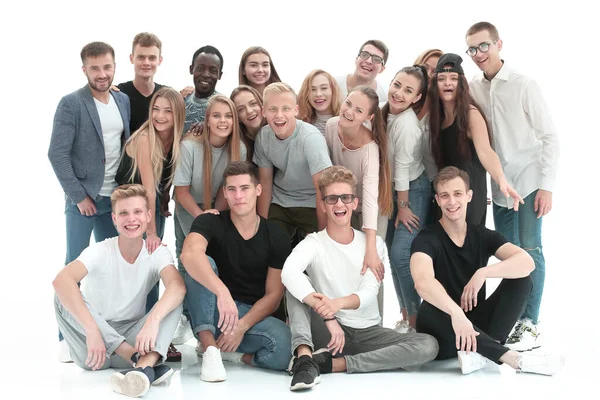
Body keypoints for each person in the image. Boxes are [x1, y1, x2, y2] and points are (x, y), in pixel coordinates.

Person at [282, 166, 438, 391]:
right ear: (324, 205)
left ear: (355, 203)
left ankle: (334, 364)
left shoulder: (373, 246)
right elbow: (288, 272)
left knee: (427, 345)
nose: (339, 205)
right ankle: (305, 359)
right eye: (332, 199)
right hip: (328, 332)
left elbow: (368, 292)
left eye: (345, 198)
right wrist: (329, 316)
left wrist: (337, 304)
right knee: (294, 288)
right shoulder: (313, 243)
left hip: (368, 332)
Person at [410, 166, 563, 376]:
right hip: (444, 332)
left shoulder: (481, 235)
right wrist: (456, 313)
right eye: (445, 196)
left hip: (476, 326)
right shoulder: (426, 239)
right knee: (429, 308)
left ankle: (481, 353)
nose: (452, 202)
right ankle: (512, 359)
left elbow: (526, 262)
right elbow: (422, 282)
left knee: (522, 280)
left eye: (457, 194)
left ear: (469, 196)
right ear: (437, 199)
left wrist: (483, 272)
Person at [466, 21, 560, 351]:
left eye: (484, 46)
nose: (478, 54)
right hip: (500, 186)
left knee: (531, 248)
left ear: (498, 44)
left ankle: (530, 323)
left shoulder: (523, 85)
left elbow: (549, 136)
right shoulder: (474, 87)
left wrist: (546, 186)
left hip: (530, 180)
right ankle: (511, 319)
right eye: (472, 49)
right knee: (508, 253)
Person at [53, 184, 186, 398]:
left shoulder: (158, 253)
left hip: (135, 338)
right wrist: (92, 330)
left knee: (175, 298)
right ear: (114, 219)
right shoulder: (100, 250)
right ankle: (143, 363)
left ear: (148, 215)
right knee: (62, 294)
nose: (131, 219)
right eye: (123, 213)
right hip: (94, 348)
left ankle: (143, 367)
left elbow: (177, 287)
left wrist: (152, 322)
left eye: (137, 212)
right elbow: (61, 281)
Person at [49, 41, 131, 360]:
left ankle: (106, 331)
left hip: (116, 199)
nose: (101, 73)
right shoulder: (71, 104)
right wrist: (79, 195)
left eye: (106, 67)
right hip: (84, 200)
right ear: (84, 70)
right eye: (94, 68)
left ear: (114, 67)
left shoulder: (122, 100)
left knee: (111, 269)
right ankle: (65, 337)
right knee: (75, 267)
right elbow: (58, 154)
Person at [181, 161, 292, 382]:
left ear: (258, 190)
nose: (238, 195)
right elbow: (189, 255)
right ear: (225, 192)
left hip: (249, 315)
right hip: (212, 309)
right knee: (203, 262)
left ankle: (236, 356)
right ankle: (210, 349)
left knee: (284, 344)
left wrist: (242, 326)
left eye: (245, 188)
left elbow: (274, 296)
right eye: (231, 189)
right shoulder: (210, 221)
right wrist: (222, 293)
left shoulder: (276, 235)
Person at [115, 88, 184, 363]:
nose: (159, 115)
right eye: (156, 109)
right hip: (129, 210)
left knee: (153, 269)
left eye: (167, 110)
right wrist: (152, 231)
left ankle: (154, 334)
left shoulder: (176, 139)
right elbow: (148, 190)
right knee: (131, 270)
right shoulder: (146, 138)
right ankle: (126, 336)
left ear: (177, 114)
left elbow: (162, 185)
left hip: (150, 208)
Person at [427, 53, 522, 226]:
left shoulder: (470, 114)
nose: (447, 83)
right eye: (441, 78)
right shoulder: (436, 118)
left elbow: (485, 151)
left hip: (468, 196)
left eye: (453, 78)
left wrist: (502, 181)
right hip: (446, 195)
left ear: (461, 83)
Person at [324, 85, 392, 315]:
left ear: (369, 117)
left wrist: (371, 247)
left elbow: (371, 198)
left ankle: (376, 319)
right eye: (348, 104)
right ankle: (345, 319)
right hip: (344, 206)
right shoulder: (332, 126)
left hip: (370, 209)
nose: (350, 112)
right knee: (344, 262)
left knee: (371, 264)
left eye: (359, 110)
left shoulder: (370, 149)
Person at [381, 65, 431, 333]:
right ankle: (405, 316)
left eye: (408, 90)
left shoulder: (408, 124)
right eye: (397, 84)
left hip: (412, 190)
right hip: (392, 188)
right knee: (391, 253)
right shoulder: (383, 110)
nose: (399, 93)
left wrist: (402, 207)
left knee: (401, 253)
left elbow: (401, 168)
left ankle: (415, 322)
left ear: (416, 98)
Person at [253, 82, 332, 246]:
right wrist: (262, 226)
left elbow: (322, 189)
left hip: (311, 201)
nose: (279, 115)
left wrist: (324, 235)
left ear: (296, 110)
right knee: (271, 246)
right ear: (263, 111)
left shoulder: (311, 139)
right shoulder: (263, 136)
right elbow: (265, 183)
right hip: (281, 201)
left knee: (314, 252)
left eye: (286, 109)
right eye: (273, 109)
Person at [117, 32, 165, 134]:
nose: (146, 63)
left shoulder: (166, 94)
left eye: (152, 58)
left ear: (160, 60)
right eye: (141, 57)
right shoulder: (118, 94)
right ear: (131, 58)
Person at [183, 45, 224, 132]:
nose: (206, 74)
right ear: (191, 69)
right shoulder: (181, 101)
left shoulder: (224, 105)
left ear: (220, 75)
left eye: (212, 70)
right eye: (200, 68)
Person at [336, 40, 388, 106]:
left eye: (377, 59)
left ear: (382, 69)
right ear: (356, 59)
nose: (369, 61)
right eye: (365, 55)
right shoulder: (333, 84)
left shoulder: (384, 98)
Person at [298, 69, 342, 135]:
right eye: (312, 89)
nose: (318, 94)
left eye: (324, 88)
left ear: (333, 90)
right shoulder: (300, 124)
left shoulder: (345, 120)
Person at [230, 85, 266, 161]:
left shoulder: (276, 129)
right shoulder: (238, 144)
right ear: (237, 117)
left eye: (253, 104)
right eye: (241, 109)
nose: (249, 111)